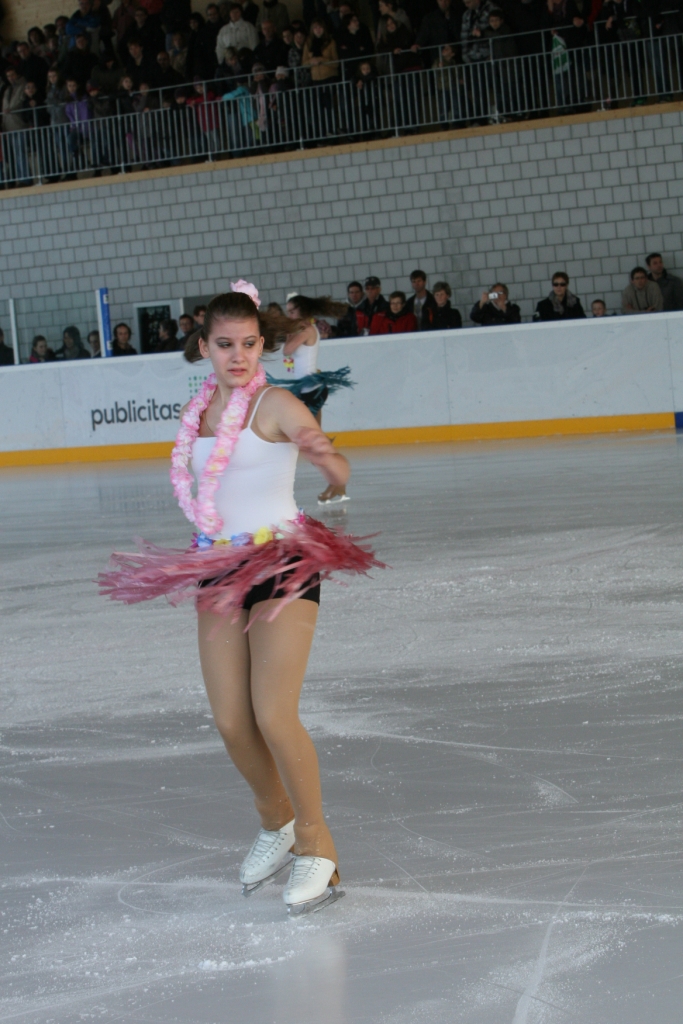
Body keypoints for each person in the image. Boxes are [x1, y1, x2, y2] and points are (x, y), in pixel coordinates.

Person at [99, 282, 383, 915]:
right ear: (204, 347)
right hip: (219, 565)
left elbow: (311, 438)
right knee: (231, 719)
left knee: (274, 714)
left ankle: (317, 844)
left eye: (250, 344)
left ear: (261, 346)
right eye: (225, 345)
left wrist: (326, 458)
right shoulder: (197, 413)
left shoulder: (275, 402)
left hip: (285, 560)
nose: (239, 356)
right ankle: (276, 820)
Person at [269, 293, 355, 505]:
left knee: (312, 443)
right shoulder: (304, 329)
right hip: (310, 390)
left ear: (303, 311)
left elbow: (287, 350)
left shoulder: (306, 330)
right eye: (288, 311)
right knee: (315, 442)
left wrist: (287, 333)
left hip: (312, 393)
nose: (289, 315)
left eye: (292, 311)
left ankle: (337, 481)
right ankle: (338, 483)